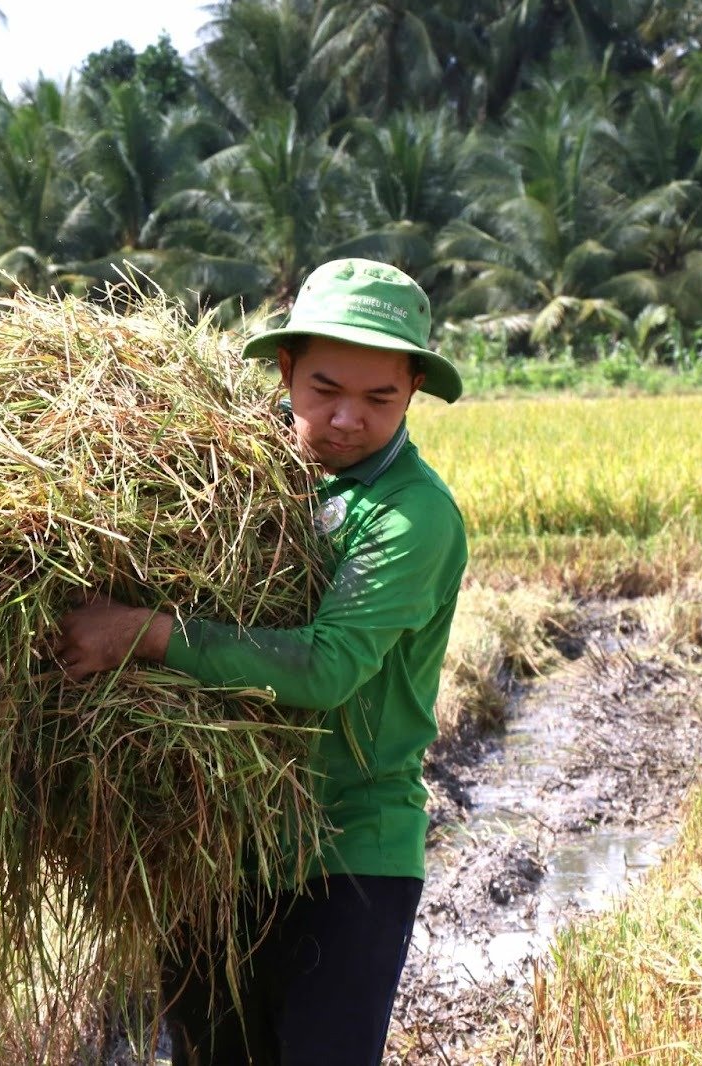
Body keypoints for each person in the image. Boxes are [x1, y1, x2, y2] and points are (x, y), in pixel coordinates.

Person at [56, 258, 468, 1066]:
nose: (346, 419)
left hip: (347, 851)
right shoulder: (229, 471)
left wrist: (143, 633)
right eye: (324, 389)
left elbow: (325, 669)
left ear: (414, 389)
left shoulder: (411, 515)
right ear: (285, 369)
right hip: (210, 838)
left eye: (379, 398)